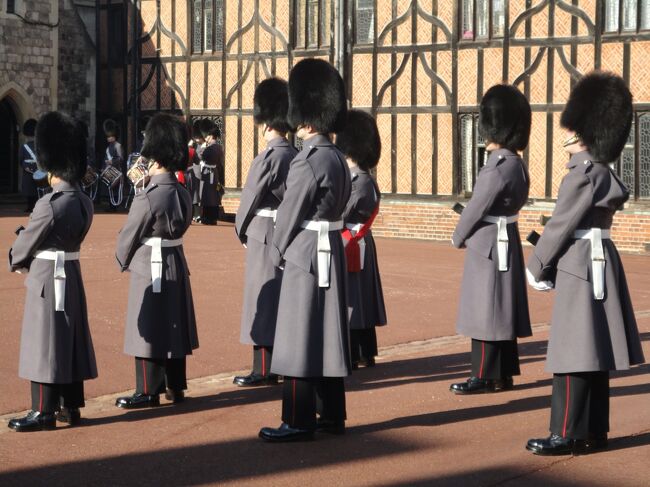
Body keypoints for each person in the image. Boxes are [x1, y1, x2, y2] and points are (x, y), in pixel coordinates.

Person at [525, 71, 645, 455]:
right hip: (601, 260)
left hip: (578, 261)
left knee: (573, 351)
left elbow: (560, 225)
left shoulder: (581, 174)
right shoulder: (603, 172)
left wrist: (538, 263)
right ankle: (594, 429)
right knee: (594, 352)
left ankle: (568, 432)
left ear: (580, 133)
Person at [258, 58, 350, 442]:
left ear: (305, 114)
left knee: (298, 335)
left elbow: (289, 215)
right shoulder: (338, 158)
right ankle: (331, 415)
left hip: (306, 252)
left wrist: (275, 252)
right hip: (330, 247)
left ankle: (298, 419)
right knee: (327, 334)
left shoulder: (308, 160)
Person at [8, 111, 98, 431]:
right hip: (71, 273)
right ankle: (70, 406)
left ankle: (43, 411)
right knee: (68, 337)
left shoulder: (50, 203)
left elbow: (27, 243)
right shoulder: (84, 201)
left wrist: (16, 258)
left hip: (47, 275)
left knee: (44, 340)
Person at [449, 84, 532, 394]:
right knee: (502, 308)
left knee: (485, 311)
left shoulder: (495, 167)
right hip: (506, 237)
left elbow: (475, 208)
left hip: (487, 244)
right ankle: (504, 371)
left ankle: (484, 374)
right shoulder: (516, 164)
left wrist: (458, 236)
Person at [114, 113, 199, 409]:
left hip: (150, 263)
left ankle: (148, 390)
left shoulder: (149, 196)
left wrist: (121, 259)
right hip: (175, 258)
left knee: (150, 326)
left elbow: (130, 234)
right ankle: (175, 386)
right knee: (173, 324)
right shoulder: (182, 192)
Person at [234, 77, 297, 387]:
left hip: (262, 232)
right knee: (281, 298)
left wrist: (242, 231)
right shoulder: (295, 154)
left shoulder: (270, 157)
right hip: (286, 231)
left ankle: (263, 368)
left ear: (265, 123)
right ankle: (281, 363)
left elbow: (249, 201)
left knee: (262, 299)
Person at [336, 109, 387, 369]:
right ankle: (363, 351)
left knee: (354, 300)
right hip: (357, 242)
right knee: (359, 299)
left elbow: (341, 213)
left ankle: (357, 352)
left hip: (353, 244)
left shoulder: (360, 182)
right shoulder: (360, 179)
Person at [197, 120, 225, 225]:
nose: (206, 138)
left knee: (208, 196)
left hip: (208, 173)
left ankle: (208, 217)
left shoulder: (210, 148)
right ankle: (211, 217)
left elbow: (201, 156)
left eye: (207, 136)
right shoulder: (218, 147)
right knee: (212, 196)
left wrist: (202, 148)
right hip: (214, 172)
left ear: (211, 136)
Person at [102, 118, 125, 210]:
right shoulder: (108, 147)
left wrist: (112, 162)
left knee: (115, 189)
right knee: (109, 188)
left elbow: (121, 158)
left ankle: (114, 206)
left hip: (116, 170)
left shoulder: (118, 146)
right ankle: (111, 205)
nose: (108, 138)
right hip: (109, 169)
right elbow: (105, 158)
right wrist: (103, 167)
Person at [19, 118, 39, 212]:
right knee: (37, 189)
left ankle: (30, 206)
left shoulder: (24, 146)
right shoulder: (39, 146)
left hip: (28, 170)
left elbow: (20, 159)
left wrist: (25, 167)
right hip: (39, 169)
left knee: (29, 189)